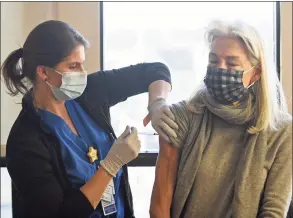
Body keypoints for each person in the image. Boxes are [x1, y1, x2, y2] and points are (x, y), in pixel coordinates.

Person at [1, 20, 179, 218]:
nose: (82, 74)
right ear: (43, 72)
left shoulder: (90, 93)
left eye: (82, 64)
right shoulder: (25, 141)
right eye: (73, 66)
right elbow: (60, 214)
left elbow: (155, 70)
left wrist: (157, 104)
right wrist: (111, 165)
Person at [150, 20, 292, 218]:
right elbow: (160, 205)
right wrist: (156, 102)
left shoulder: (281, 130)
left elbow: (273, 211)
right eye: (213, 61)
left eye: (232, 63)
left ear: (256, 73)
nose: (220, 69)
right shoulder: (183, 117)